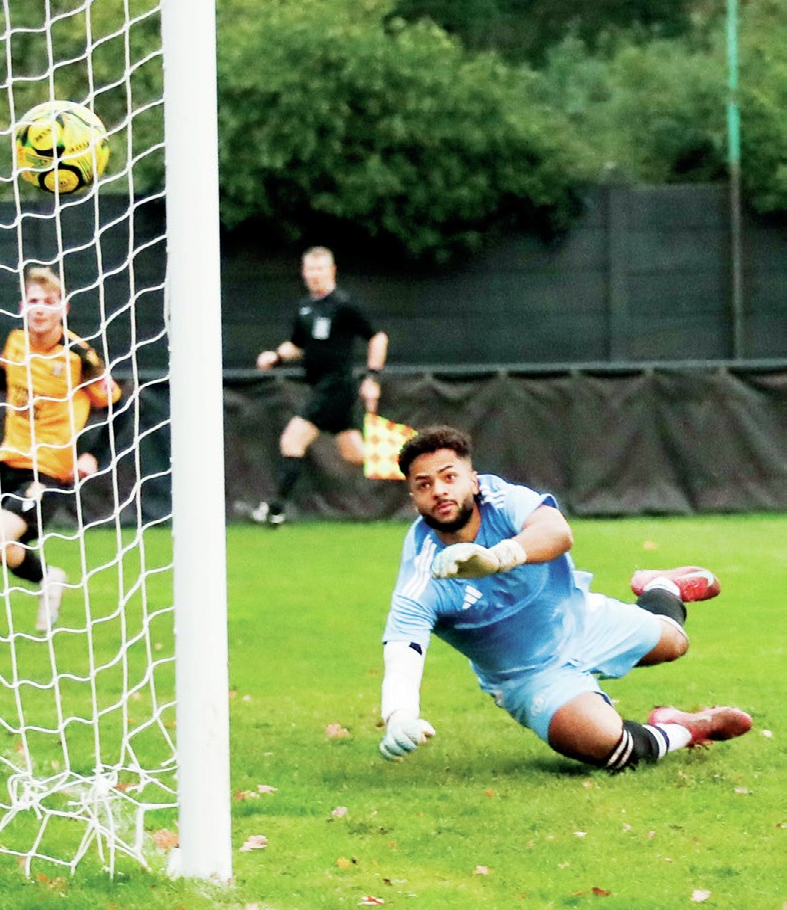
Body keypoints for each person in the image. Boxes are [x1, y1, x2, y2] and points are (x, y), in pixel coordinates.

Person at [379, 423, 753, 773]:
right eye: (424, 485)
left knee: (675, 642)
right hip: (529, 676)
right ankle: (686, 728)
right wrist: (399, 716)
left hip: (580, 618)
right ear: (414, 499)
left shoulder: (501, 498)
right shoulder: (422, 574)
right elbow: (403, 654)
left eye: (449, 477)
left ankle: (662, 588)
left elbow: (556, 532)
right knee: (602, 743)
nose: (439, 490)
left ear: (473, 481)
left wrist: (497, 558)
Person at [0, 264, 120, 632]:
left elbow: (119, 406)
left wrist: (93, 454)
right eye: (34, 301)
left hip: (48, 470)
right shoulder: (16, 342)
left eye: (49, 302)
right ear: (23, 306)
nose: (40, 309)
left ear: (63, 309)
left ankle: (48, 577)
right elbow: (11, 378)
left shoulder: (80, 357)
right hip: (7, 460)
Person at [251, 245, 388, 525]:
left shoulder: (344, 305)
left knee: (292, 440)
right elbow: (298, 345)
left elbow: (378, 338)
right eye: (310, 269)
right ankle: (411, 461)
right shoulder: (306, 307)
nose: (315, 274)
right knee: (355, 453)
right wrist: (275, 356)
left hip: (336, 386)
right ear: (304, 272)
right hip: (321, 386)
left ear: (332, 271)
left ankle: (275, 510)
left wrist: (373, 377)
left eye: (320, 269)